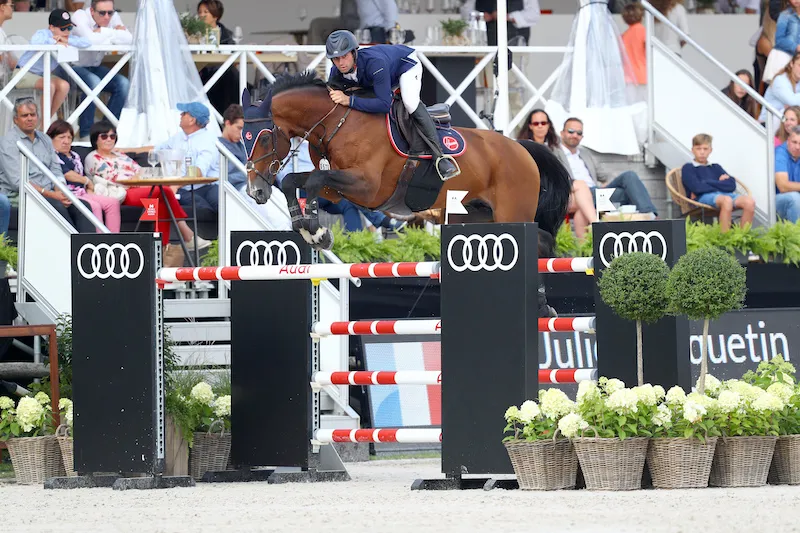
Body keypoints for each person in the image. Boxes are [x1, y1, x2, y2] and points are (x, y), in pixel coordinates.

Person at [325, 29, 460, 181]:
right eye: (336, 59)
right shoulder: (335, 71)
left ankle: (439, 157)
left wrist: (349, 100)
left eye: (344, 56)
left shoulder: (374, 63)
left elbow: (384, 104)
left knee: (410, 102)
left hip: (406, 65)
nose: (341, 63)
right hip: (381, 75)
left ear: (354, 53)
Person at [84, 120, 209, 249]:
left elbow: (140, 170)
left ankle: (161, 248)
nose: (109, 139)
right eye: (104, 136)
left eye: (112, 136)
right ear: (95, 139)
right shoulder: (93, 157)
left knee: (161, 202)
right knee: (164, 191)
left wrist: (140, 179)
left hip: (137, 188)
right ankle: (187, 234)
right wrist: (138, 179)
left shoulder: (120, 155)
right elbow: (115, 179)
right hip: (119, 192)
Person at [0, 99, 87, 233]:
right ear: (15, 120)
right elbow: (18, 182)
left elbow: (56, 169)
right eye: (25, 115)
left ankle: (89, 249)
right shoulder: (8, 142)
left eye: (33, 115)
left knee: (82, 206)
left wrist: (61, 190)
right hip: (21, 194)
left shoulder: (45, 139)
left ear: (38, 117)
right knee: (56, 206)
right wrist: (51, 195)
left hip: (49, 192)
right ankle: (72, 249)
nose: (29, 119)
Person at [554, 117, 659, 216]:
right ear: (562, 133)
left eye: (579, 133)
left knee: (629, 177)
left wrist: (606, 183)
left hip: (596, 192)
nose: (575, 135)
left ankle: (650, 215)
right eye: (571, 131)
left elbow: (604, 175)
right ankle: (648, 218)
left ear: (582, 137)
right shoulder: (555, 153)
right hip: (578, 193)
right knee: (629, 195)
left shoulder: (585, 154)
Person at [518, 109, 596, 239]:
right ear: (530, 126)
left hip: (557, 189)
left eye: (543, 123)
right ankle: (596, 225)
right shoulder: (523, 148)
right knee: (581, 189)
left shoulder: (556, 149)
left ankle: (583, 248)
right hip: (538, 192)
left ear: (549, 125)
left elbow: (565, 173)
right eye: (536, 123)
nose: (540, 126)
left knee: (581, 208)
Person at [219, 104, 292, 230]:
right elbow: (220, 175)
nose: (241, 133)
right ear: (227, 123)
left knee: (283, 202)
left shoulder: (243, 145)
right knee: (273, 215)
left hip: (254, 184)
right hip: (237, 189)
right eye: (239, 128)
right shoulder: (218, 145)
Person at [69, 0, 132, 141]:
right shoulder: (79, 16)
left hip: (94, 67)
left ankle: (105, 131)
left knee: (124, 84)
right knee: (94, 83)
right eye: (102, 13)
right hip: (71, 67)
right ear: (92, 11)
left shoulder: (112, 16)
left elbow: (129, 39)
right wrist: (115, 33)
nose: (107, 17)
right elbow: (90, 40)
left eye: (110, 12)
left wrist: (103, 31)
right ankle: (86, 134)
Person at [16, 9, 91, 125]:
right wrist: (54, 41)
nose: (67, 31)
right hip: (23, 72)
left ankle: (43, 124)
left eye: (69, 28)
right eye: (63, 28)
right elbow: (35, 42)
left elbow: (87, 42)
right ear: (51, 27)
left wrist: (66, 40)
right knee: (49, 85)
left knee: (64, 86)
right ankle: (44, 125)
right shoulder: (42, 33)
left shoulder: (67, 38)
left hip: (43, 74)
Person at [46, 119, 121, 232]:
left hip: (82, 192)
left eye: (69, 137)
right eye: (61, 137)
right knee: (94, 205)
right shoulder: (52, 156)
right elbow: (67, 174)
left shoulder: (75, 155)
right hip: (67, 194)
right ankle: (98, 245)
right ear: (50, 139)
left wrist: (88, 187)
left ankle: (114, 243)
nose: (66, 141)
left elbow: (81, 177)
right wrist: (87, 181)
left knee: (112, 203)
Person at [151, 102, 221, 213]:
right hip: (184, 188)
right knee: (202, 207)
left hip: (207, 187)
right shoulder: (178, 137)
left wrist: (176, 184)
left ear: (192, 120)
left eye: (184, 114)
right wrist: (123, 150)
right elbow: (155, 149)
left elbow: (198, 171)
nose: (180, 115)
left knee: (221, 204)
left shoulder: (209, 140)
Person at [680, 133, 755, 233]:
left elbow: (731, 185)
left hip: (724, 195)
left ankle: (742, 238)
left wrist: (705, 182)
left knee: (749, 202)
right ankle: (725, 240)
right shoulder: (688, 168)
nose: (702, 152)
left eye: (705, 149)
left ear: (710, 150)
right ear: (692, 149)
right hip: (702, 198)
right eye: (698, 148)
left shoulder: (715, 167)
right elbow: (697, 188)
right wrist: (719, 183)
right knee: (727, 201)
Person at [196, 0, 241, 116]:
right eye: (200, 12)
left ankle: (231, 116)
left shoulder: (227, 35)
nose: (201, 15)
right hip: (203, 73)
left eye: (206, 12)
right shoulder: (193, 34)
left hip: (223, 75)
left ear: (215, 15)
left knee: (232, 74)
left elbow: (235, 56)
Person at [775, 125, 800, 222]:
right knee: (794, 198)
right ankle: (796, 235)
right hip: (777, 200)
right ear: (788, 140)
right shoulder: (780, 153)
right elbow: (783, 186)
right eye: (794, 142)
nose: (797, 147)